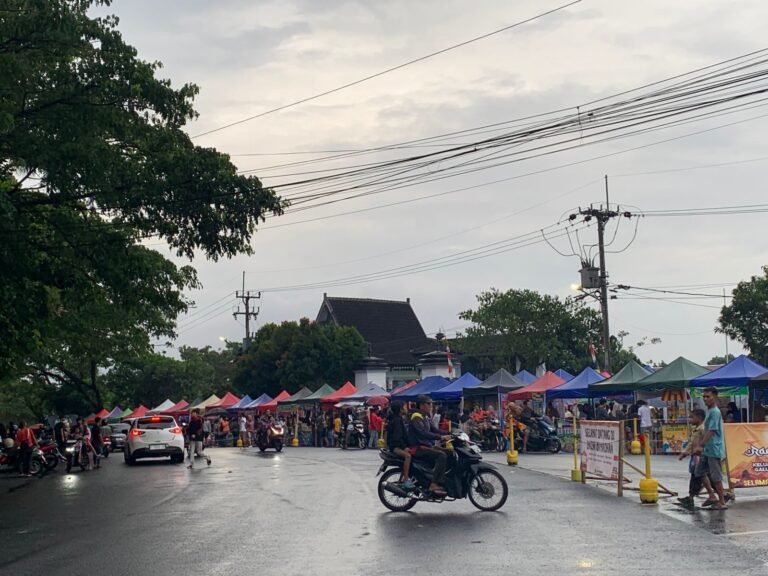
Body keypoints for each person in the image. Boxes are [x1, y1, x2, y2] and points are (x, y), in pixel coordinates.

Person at [408, 395, 452, 496]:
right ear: (422, 405)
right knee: (441, 455)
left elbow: (435, 430)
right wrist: (441, 438)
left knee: (450, 453)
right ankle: (433, 483)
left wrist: (449, 433)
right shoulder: (416, 417)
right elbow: (423, 433)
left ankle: (441, 479)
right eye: (429, 404)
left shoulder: (425, 417)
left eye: (431, 404)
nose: (431, 406)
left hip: (426, 446)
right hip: (418, 447)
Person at [698, 387, 729, 510]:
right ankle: (712, 495)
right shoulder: (709, 411)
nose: (705, 399)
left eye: (708, 396)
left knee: (716, 477)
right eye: (704, 397)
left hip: (714, 449)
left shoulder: (715, 412)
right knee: (699, 472)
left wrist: (701, 445)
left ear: (715, 397)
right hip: (708, 450)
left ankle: (722, 501)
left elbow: (711, 430)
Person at [676, 409, 706, 509]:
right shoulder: (696, 429)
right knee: (695, 476)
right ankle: (690, 497)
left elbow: (706, 442)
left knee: (701, 476)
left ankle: (721, 494)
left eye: (692, 417)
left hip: (700, 456)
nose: (690, 419)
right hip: (695, 455)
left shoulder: (703, 429)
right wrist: (685, 453)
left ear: (699, 418)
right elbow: (692, 443)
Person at [387, 401, 414, 491]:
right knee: (408, 456)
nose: (407, 409)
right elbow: (397, 437)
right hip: (395, 447)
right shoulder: (397, 420)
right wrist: (404, 447)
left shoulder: (398, 419)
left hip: (398, 445)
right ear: (400, 409)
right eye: (405, 407)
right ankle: (406, 479)